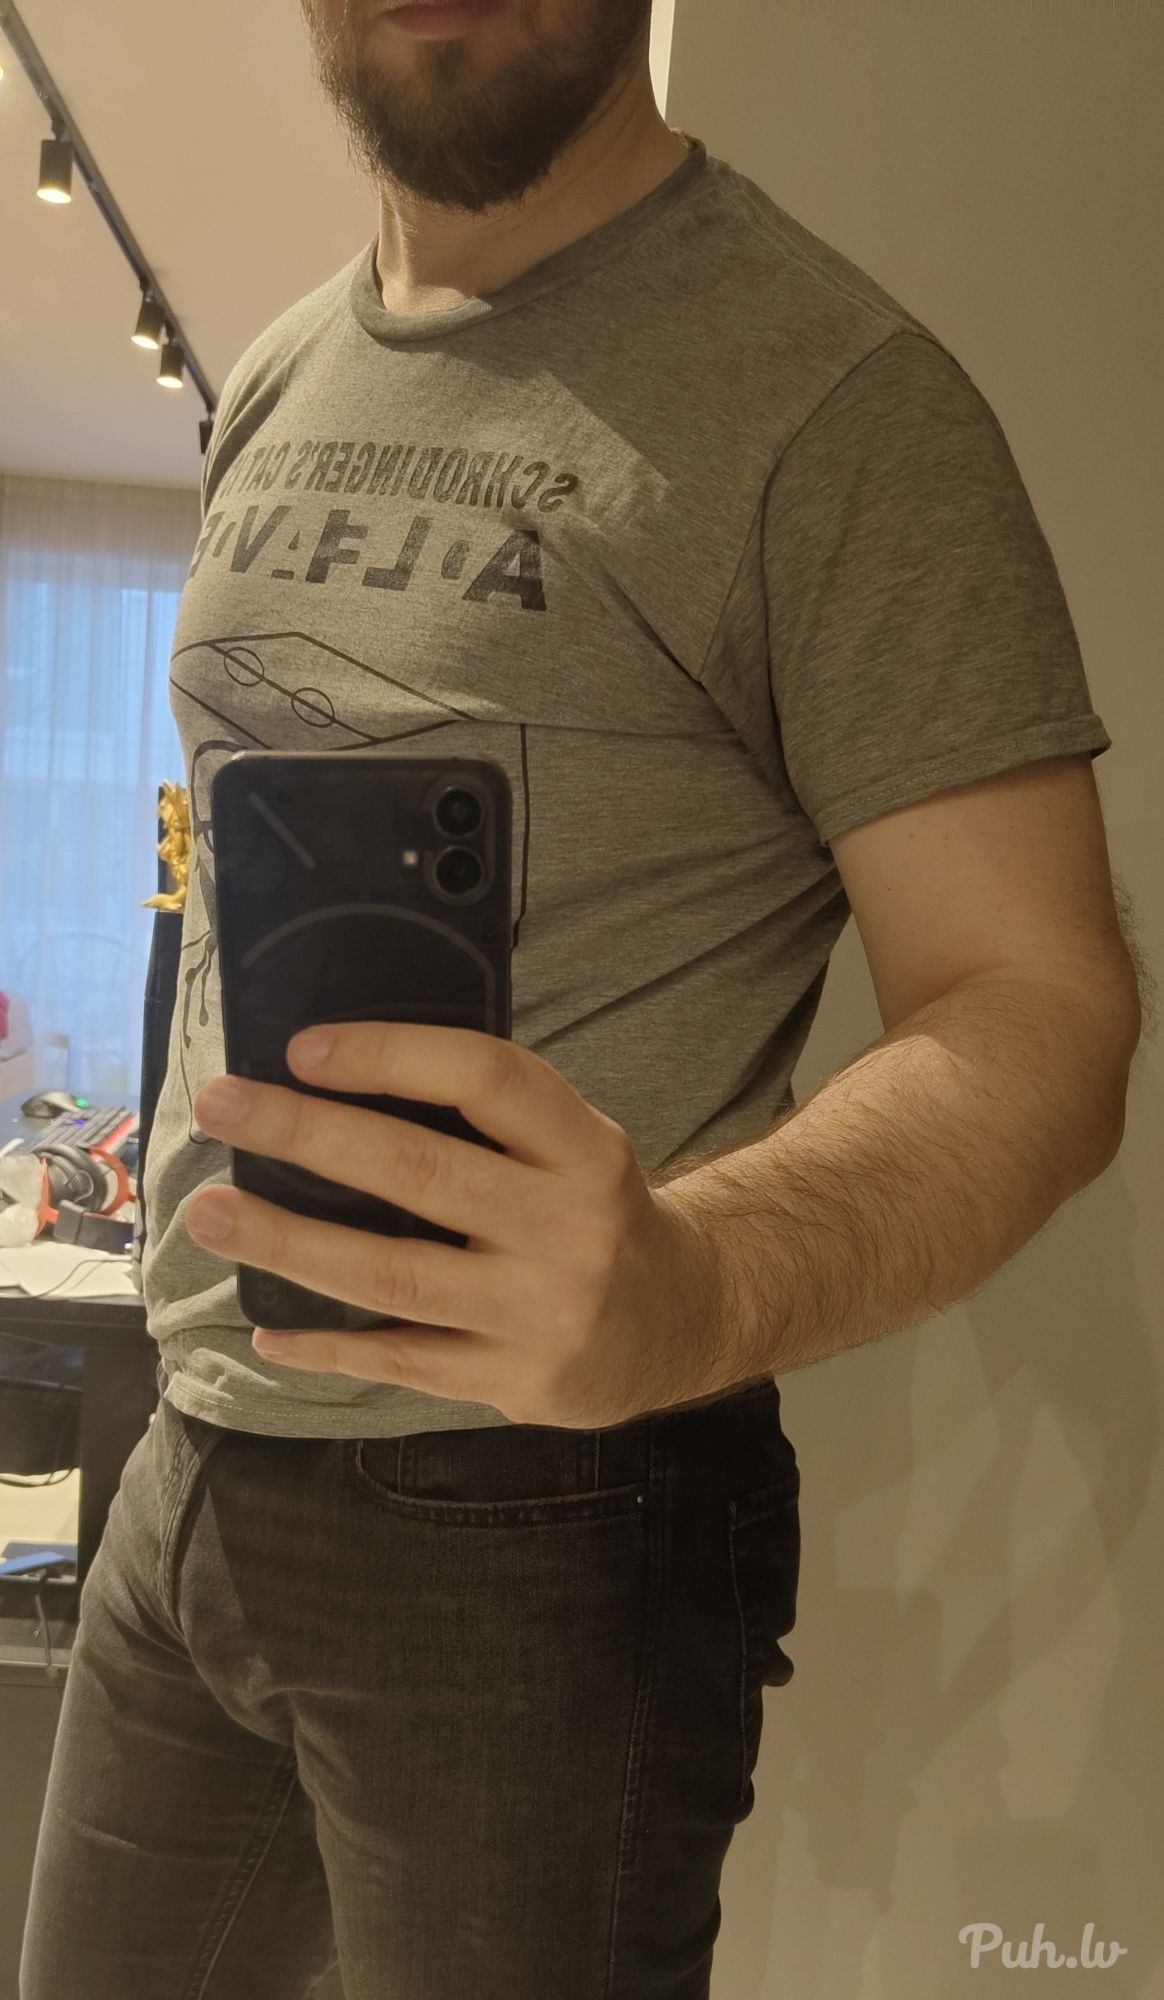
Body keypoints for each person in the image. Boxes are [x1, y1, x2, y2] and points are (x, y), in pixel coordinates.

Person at [21, 2, 1139, 1996]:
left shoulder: (842, 402)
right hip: (191, 1441)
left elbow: (1040, 1004)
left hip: (533, 1510)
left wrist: (695, 1285)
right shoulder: (278, 370)